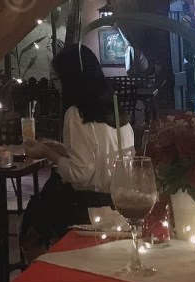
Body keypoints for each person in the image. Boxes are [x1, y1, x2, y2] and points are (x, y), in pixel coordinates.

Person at [18, 43, 134, 261]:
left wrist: (48, 153)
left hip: (89, 208)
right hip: (120, 204)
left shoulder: (76, 114)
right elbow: (98, 156)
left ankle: (43, 268)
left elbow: (80, 174)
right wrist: (61, 148)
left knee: (33, 220)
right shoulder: (118, 112)